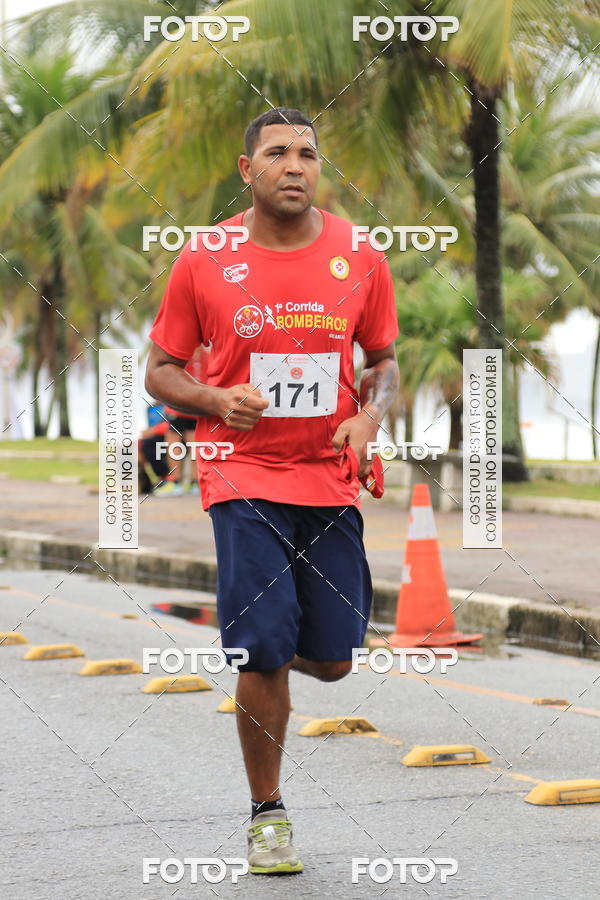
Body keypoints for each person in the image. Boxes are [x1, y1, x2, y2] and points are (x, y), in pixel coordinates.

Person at [145, 107, 400, 875]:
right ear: (246, 168)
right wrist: (216, 402)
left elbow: (383, 360)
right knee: (263, 647)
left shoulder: (359, 254)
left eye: (309, 154)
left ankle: (283, 647)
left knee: (332, 661)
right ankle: (268, 814)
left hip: (328, 479)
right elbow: (160, 369)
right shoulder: (205, 257)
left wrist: (369, 416)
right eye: (279, 153)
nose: (296, 165)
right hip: (241, 474)